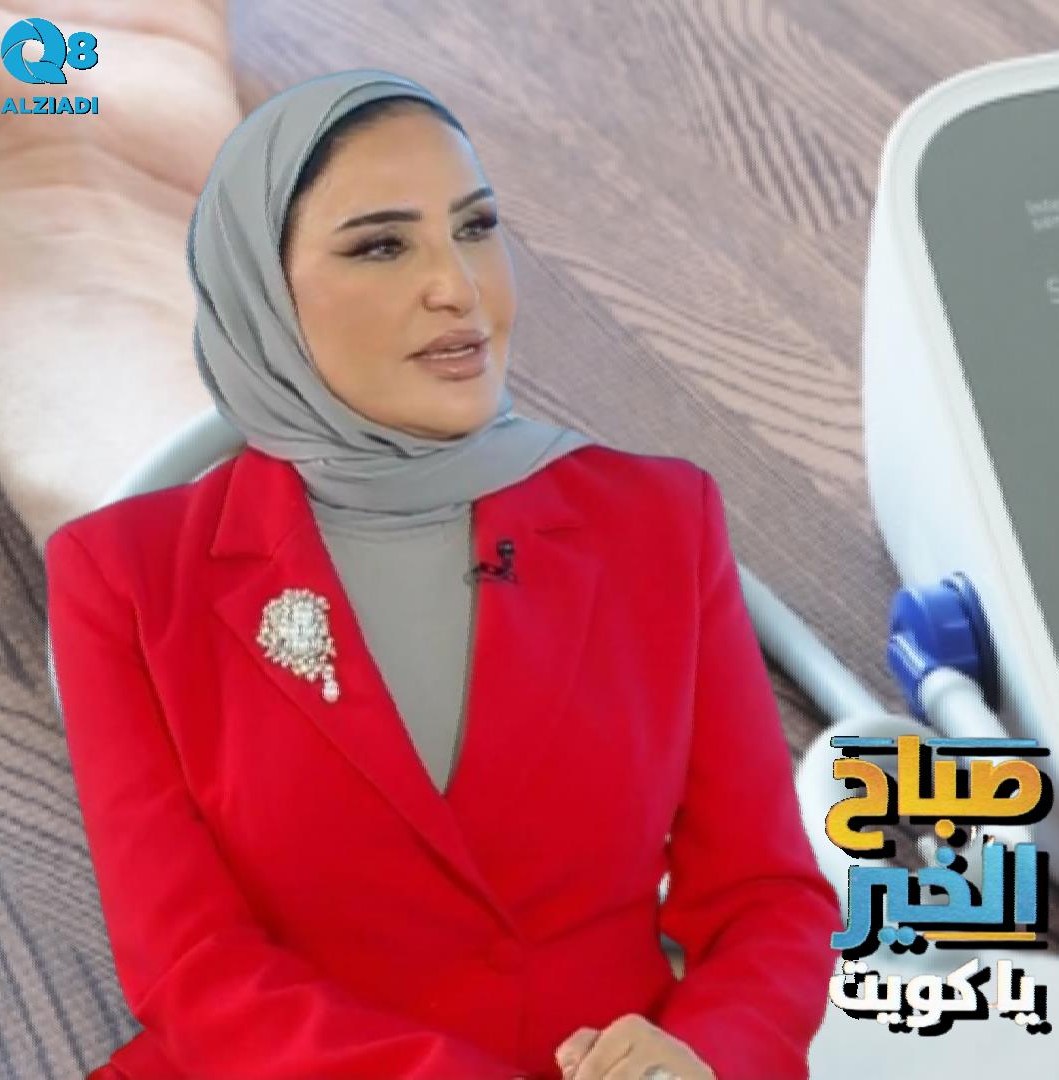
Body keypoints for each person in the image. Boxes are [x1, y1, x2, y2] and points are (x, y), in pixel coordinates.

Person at [43, 70, 840, 1080]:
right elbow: (191, 967)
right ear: (262, 293)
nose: (458, 287)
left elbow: (767, 900)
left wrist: (705, 1057)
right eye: (382, 246)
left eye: (475, 228)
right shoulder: (117, 579)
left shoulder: (662, 521)